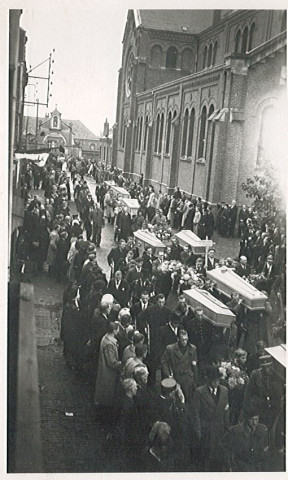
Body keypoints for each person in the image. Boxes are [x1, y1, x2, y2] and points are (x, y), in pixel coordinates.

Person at [192, 365, 230, 471]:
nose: (216, 383)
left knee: (220, 459)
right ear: (208, 380)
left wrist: (227, 427)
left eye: (217, 380)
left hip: (220, 430)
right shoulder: (199, 392)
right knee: (207, 460)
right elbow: (195, 414)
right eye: (213, 381)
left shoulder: (224, 391)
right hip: (206, 431)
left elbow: (226, 410)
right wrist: (198, 431)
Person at [221, 399, 269, 471]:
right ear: (246, 419)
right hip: (240, 468)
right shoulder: (235, 431)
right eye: (252, 420)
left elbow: (265, 451)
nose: (254, 423)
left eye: (256, 419)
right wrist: (230, 466)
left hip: (257, 468)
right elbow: (225, 449)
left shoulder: (263, 430)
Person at [161, 329, 198, 404]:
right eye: (183, 340)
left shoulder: (192, 348)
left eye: (186, 339)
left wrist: (195, 379)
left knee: (188, 400)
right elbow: (163, 362)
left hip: (188, 378)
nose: (185, 342)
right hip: (176, 377)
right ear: (178, 339)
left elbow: (194, 364)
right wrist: (168, 375)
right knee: (176, 400)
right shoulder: (170, 349)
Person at [94, 321, 122, 409]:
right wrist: (122, 363)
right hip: (108, 374)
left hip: (105, 371)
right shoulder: (110, 344)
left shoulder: (106, 338)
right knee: (108, 394)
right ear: (114, 330)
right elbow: (111, 362)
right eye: (117, 329)